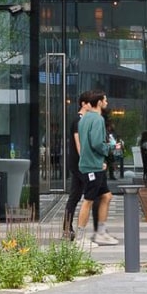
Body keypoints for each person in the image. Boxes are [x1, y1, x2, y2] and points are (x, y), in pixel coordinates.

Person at [77, 91, 119, 245]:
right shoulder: (98, 119)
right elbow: (96, 143)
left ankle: (100, 233)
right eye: (105, 100)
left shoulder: (84, 118)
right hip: (92, 167)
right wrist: (111, 147)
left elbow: (86, 143)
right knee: (88, 200)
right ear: (99, 102)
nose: (107, 102)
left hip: (93, 165)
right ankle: (80, 238)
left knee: (107, 196)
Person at [62, 91, 99, 240]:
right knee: (93, 193)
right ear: (83, 104)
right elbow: (79, 144)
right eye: (90, 103)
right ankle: (94, 230)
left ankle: (67, 228)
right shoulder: (78, 120)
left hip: (79, 163)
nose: (93, 105)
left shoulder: (83, 120)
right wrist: (87, 161)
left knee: (76, 195)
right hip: (80, 164)